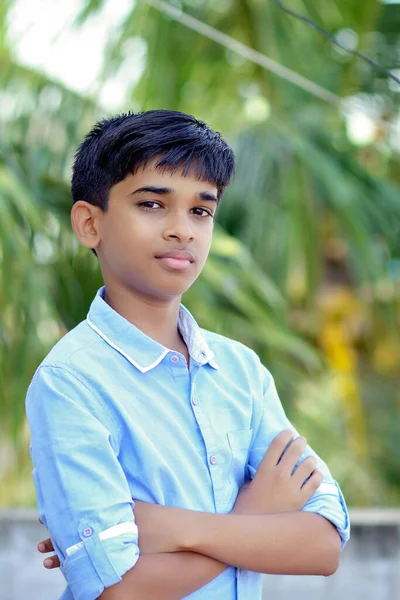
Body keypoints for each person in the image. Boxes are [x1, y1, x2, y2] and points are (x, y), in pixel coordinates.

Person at [26, 109, 350, 600]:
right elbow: (119, 593)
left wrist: (174, 529)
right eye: (153, 204)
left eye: (201, 210)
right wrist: (256, 515)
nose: (183, 229)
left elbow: (323, 546)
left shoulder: (240, 370)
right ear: (90, 224)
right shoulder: (70, 382)